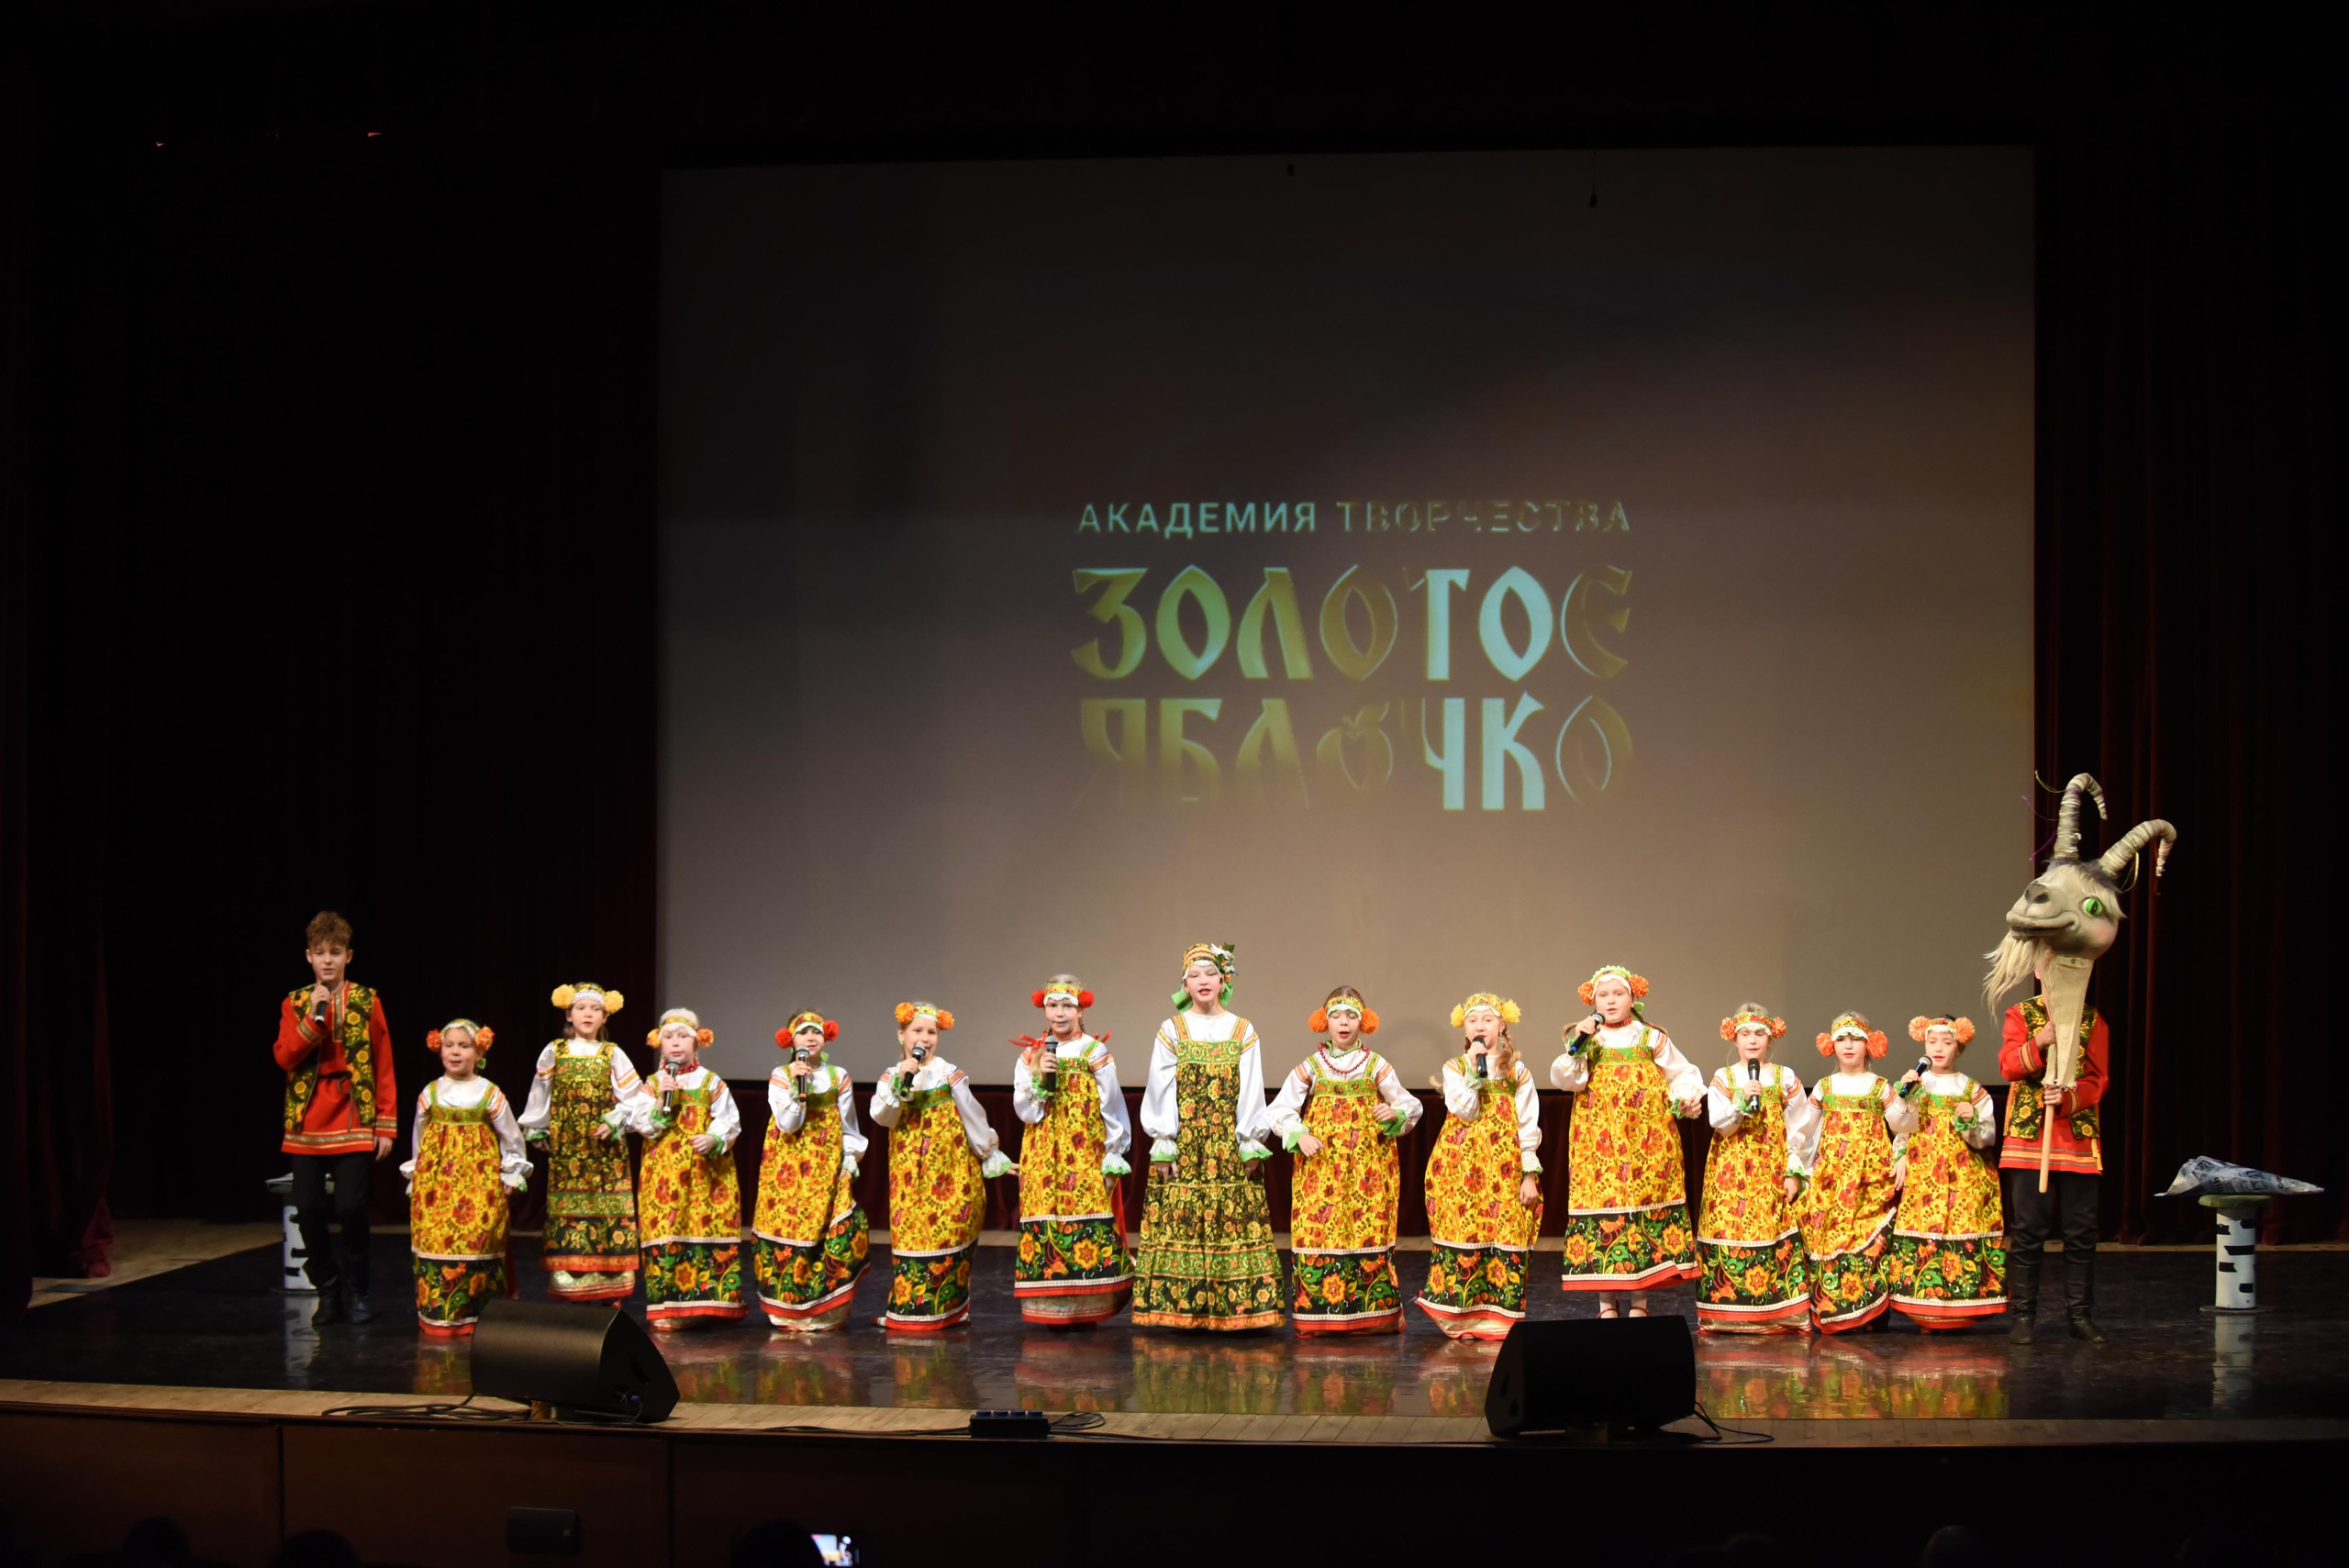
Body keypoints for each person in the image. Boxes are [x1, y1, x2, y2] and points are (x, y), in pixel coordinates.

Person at [1130, 940, 1284, 1330]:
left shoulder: (1242, 1029)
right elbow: (1159, 1087)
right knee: (1181, 1217)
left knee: (1230, 1220)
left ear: (1223, 980)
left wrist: (1250, 1140)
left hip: (1227, 1145)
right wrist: (1164, 1143)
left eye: (1210, 973)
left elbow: (1251, 1087)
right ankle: (1182, 1311)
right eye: (1194, 975)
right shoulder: (1172, 1029)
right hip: (1187, 1143)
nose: (1202, 981)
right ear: (1184, 983)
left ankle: (1235, 1311)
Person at [1266, 986, 1421, 1334]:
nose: (1344, 1022)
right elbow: (1278, 1109)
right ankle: (1320, 1318)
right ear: (1325, 1021)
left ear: (1363, 1022)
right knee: (1320, 1226)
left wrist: (1392, 1112)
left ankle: (1372, 1317)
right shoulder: (1312, 1066)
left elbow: (1412, 1106)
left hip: (1367, 1166)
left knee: (1366, 1227)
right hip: (1322, 1166)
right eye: (1336, 1015)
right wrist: (1297, 1133)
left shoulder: (1376, 1065)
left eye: (1351, 1015)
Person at [1553, 965, 1705, 1318]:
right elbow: (1565, 1080)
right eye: (1603, 995)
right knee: (1603, 1211)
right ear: (1593, 1002)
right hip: (1599, 1143)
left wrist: (1684, 1097)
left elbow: (1682, 1074)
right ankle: (1606, 1304)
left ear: (1633, 999)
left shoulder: (1651, 1037)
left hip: (1647, 1143)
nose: (1610, 1000)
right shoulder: (1586, 1039)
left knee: (1641, 1213)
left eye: (1617, 994)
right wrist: (1578, 1045)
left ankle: (1640, 1303)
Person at [272, 910, 396, 1326]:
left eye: (336, 953)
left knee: (351, 1208)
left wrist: (385, 1122)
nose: (328, 960)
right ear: (308, 957)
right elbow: (285, 1056)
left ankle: (358, 1287)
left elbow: (383, 1062)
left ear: (348, 956)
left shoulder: (367, 1000)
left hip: (354, 1113)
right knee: (307, 1208)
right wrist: (313, 1018)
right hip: (308, 1117)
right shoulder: (295, 1002)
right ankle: (327, 1286)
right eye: (320, 953)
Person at [868, 1001, 1016, 1330]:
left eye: (931, 1032)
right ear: (901, 1035)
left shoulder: (949, 1073)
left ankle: (950, 1307)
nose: (925, 1038)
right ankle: (909, 1309)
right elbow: (883, 1117)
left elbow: (972, 1115)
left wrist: (991, 1154)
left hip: (950, 1170)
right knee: (912, 1236)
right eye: (917, 1030)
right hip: (910, 1174)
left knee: (950, 1232)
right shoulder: (893, 1076)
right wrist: (900, 1085)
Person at [1414, 993, 1544, 1340]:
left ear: (1502, 1025)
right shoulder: (1455, 1068)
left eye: (1488, 1019)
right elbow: (1468, 1110)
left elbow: (1528, 1124)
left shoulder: (1518, 1071)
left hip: (1504, 1169)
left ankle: (1499, 1317)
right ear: (1465, 1029)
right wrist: (1475, 1067)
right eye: (1473, 1021)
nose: (1480, 1026)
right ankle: (1462, 1319)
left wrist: (1528, 1173)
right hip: (1461, 1170)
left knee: (1506, 1232)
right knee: (1464, 1232)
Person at [1010, 975, 1135, 1326]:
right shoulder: (1032, 1055)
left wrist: (1115, 1151)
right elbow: (1025, 1110)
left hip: (1082, 1152)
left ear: (1081, 1010)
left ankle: (1087, 1305)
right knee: (1046, 1220)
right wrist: (1038, 1078)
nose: (1060, 1013)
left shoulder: (1093, 1051)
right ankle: (1049, 1308)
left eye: (1068, 1006)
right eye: (1053, 1005)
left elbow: (1112, 1104)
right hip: (1040, 1154)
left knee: (1085, 1215)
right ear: (1044, 1009)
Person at [1998, 956, 2110, 1341]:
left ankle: (2080, 1315)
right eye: (2051, 967)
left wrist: (2065, 1100)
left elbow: (2098, 1079)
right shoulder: (2021, 1014)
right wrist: (2041, 1041)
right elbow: (2009, 1066)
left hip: (2076, 1138)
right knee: (2028, 1230)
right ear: (2039, 971)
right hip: (2030, 1138)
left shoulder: (2092, 1021)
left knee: (2081, 1232)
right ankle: (2024, 1317)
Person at [518, 983, 649, 1302]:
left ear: (605, 1017)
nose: (588, 1014)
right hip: (568, 1149)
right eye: (581, 1008)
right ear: (569, 1014)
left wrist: (615, 1119)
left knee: (607, 1212)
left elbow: (635, 1097)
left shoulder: (612, 1053)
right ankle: (569, 1284)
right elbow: (540, 1092)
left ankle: (612, 1284)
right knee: (569, 1210)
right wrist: (536, 1126)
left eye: (595, 1010)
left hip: (605, 1152)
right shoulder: (555, 1051)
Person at [401, 1018, 529, 1335]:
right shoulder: (431, 1093)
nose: (455, 1052)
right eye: (449, 1045)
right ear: (439, 1049)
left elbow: (511, 1137)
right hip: (437, 1183)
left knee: (478, 1237)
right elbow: (420, 1136)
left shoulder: (489, 1092)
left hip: (478, 1180)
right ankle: (442, 1316)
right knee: (436, 1237)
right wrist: (417, 1175)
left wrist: (512, 1172)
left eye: (464, 1045)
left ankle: (480, 1312)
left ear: (479, 1050)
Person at [1694, 1003, 1817, 1333]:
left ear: (1770, 1038)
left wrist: (1794, 1170)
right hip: (1731, 1169)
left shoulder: (1785, 1076)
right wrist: (1740, 1103)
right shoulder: (1725, 1077)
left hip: (1770, 1170)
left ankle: (1778, 1314)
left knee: (1772, 1231)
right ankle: (1725, 1315)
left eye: (1759, 1033)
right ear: (1733, 1039)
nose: (1752, 1040)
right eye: (1745, 1034)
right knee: (1728, 1229)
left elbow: (1800, 1127)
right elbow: (1720, 1125)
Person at [1796, 1012, 1917, 1332]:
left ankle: (1871, 1310)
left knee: (1870, 1238)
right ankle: (1836, 1308)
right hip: (1832, 1180)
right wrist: (1798, 1169)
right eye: (1842, 1039)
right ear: (1831, 1045)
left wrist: (1909, 1096)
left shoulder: (1880, 1087)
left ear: (1870, 1044)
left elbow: (1903, 1124)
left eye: (1856, 1039)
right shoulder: (1824, 1088)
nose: (1849, 1046)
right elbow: (1803, 1132)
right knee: (1834, 1240)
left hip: (1870, 1177)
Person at [1886, 1014, 2006, 1329]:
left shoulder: (1970, 1088)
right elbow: (1900, 1127)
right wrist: (1900, 1153)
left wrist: (1969, 1121)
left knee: (1959, 1227)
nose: (1938, 1048)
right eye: (1932, 1042)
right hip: (1925, 1171)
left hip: (1962, 1173)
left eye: (1947, 1042)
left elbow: (1986, 1137)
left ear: (1959, 1046)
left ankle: (1960, 1306)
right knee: (1927, 1229)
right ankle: (1925, 1306)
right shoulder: (1916, 1083)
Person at [751, 1010, 870, 1330]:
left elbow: (850, 1125)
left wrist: (850, 1158)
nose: (810, 1038)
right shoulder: (781, 1075)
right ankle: (787, 1309)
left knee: (830, 1229)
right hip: (787, 1168)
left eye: (816, 1032)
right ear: (791, 1041)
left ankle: (825, 1310)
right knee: (789, 1230)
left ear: (826, 1036)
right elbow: (787, 1125)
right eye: (803, 1033)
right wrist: (797, 1089)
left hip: (825, 1167)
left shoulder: (838, 1076)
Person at [629, 1008, 746, 1328]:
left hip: (704, 1175)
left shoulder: (710, 1081)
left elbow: (730, 1120)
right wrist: (659, 1102)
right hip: (664, 1175)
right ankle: (669, 1308)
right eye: (669, 1037)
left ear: (698, 1041)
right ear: (659, 1043)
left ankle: (710, 1305)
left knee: (704, 1226)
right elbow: (641, 1124)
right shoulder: (654, 1084)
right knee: (666, 1228)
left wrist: (712, 1137)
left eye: (683, 1036)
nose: (676, 1043)